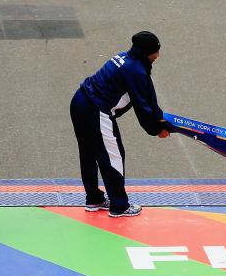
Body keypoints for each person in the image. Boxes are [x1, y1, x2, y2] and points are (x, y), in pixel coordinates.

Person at [70, 31, 172, 217]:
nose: (157, 56)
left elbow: (145, 100)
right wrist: (158, 128)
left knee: (89, 154)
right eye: (155, 52)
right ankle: (119, 205)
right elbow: (144, 105)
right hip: (96, 110)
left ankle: (94, 199)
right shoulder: (136, 70)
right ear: (146, 52)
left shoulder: (125, 56)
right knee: (114, 156)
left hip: (80, 101)